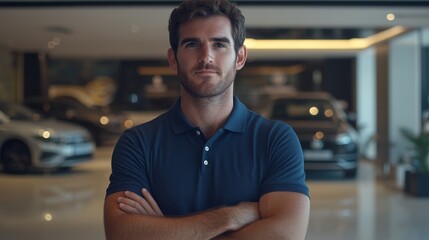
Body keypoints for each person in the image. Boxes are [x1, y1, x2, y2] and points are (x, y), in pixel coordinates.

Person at [104, 0, 310, 239]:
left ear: (240, 57)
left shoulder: (275, 139)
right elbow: (121, 233)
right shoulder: (138, 143)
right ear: (173, 59)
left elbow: (286, 235)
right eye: (192, 44)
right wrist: (229, 217)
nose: (206, 57)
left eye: (220, 44)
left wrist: (165, 227)